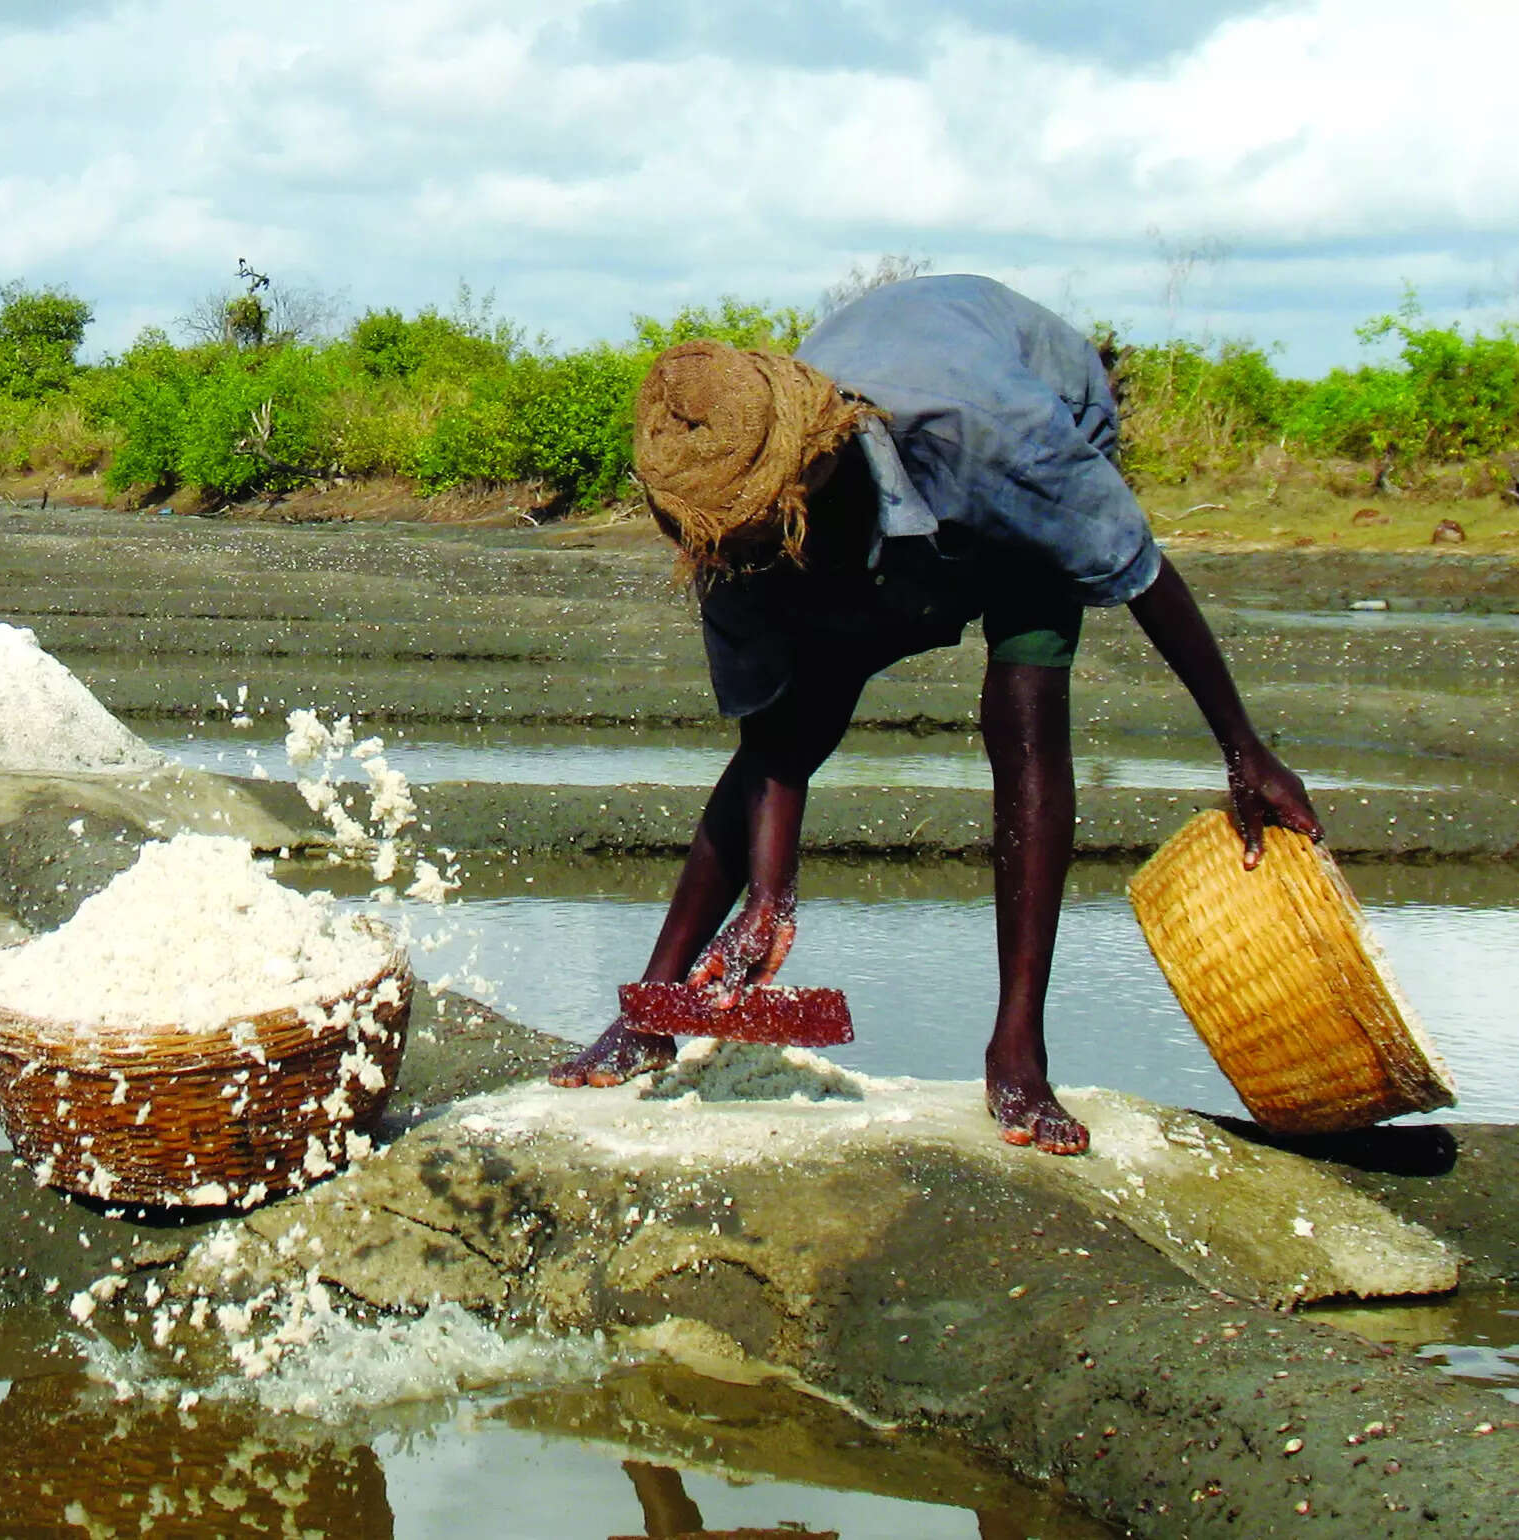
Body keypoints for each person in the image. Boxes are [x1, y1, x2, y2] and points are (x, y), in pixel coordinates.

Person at [549, 274, 1323, 1156]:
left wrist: (1243, 747)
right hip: (885, 472)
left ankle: (1018, 1052)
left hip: (1027, 417)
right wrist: (770, 893)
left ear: (813, 487)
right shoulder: (723, 516)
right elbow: (773, 743)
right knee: (805, 710)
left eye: (773, 543)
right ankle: (655, 1010)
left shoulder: (1001, 438)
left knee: (1026, 710)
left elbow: (1138, 569)